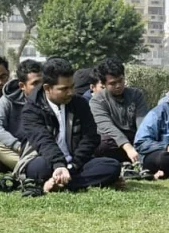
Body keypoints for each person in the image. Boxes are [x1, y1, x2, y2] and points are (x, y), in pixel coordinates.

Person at [15, 57, 122, 194]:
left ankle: (59, 184)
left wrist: (72, 166)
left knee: (111, 166)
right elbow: (43, 141)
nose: (70, 92)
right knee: (40, 168)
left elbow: (90, 138)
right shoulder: (32, 109)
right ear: (47, 88)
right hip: (45, 160)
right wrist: (59, 165)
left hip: (76, 162)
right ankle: (72, 181)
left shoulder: (80, 104)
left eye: (72, 86)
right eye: (64, 89)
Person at [0, 59, 42, 174]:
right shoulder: (8, 100)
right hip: (18, 149)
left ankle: (10, 165)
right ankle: (30, 168)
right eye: (35, 84)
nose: (40, 88)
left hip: (43, 148)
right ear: (22, 86)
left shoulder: (50, 99)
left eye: (42, 82)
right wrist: (17, 146)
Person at [89, 58, 148, 164]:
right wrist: (128, 147)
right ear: (103, 84)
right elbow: (108, 127)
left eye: (121, 80)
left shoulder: (136, 95)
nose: (118, 86)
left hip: (135, 138)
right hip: (113, 141)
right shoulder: (96, 101)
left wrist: (141, 143)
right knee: (102, 144)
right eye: (113, 83)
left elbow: (142, 123)